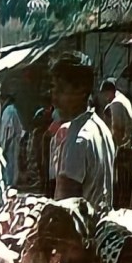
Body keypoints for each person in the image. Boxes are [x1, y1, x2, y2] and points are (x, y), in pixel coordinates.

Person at [52, 54, 116, 207]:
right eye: (53, 89)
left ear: (81, 91)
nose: (54, 98)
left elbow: (65, 209)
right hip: (100, 226)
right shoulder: (101, 129)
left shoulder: (78, 140)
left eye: (61, 90)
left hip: (82, 230)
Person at [100, 78, 132, 208]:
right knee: (126, 183)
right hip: (130, 145)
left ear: (109, 92)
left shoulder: (116, 104)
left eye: (105, 94)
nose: (105, 98)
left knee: (120, 184)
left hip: (123, 149)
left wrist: (112, 148)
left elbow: (117, 130)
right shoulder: (123, 99)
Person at [0, 94, 23, 187]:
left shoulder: (9, 110)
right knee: (10, 163)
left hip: (10, 142)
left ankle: (10, 184)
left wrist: (6, 145)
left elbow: (9, 129)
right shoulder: (9, 110)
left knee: (10, 163)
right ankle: (10, 183)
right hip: (9, 141)